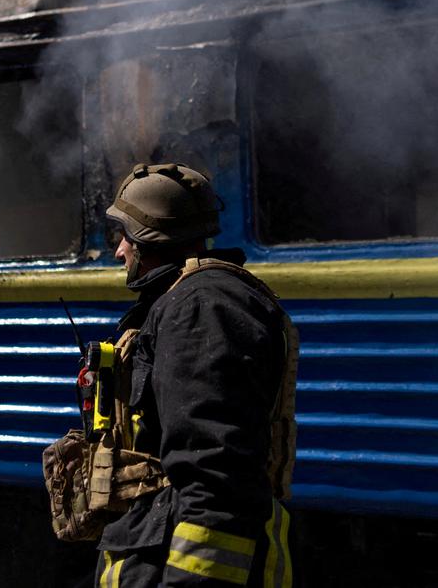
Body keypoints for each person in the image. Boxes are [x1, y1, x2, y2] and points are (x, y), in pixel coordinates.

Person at [93, 162, 297, 588]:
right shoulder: (183, 301)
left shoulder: (201, 308)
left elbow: (215, 476)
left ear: (146, 239)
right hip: (153, 545)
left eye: (124, 237)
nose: (119, 251)